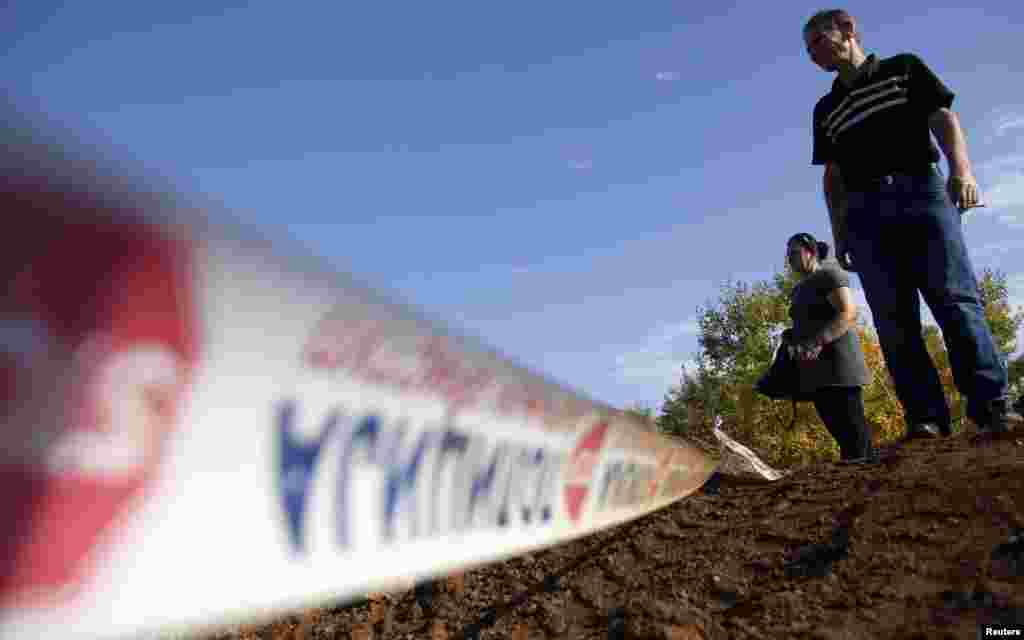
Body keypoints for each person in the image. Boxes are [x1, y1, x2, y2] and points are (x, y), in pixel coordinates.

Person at [803, 9, 1014, 439]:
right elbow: (833, 177)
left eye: (818, 42)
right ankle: (926, 419)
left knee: (955, 300)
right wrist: (840, 230)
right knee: (893, 320)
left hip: (922, 192)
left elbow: (942, 118)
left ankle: (992, 407)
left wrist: (963, 171)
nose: (814, 55)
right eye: (808, 51)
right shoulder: (826, 108)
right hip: (865, 213)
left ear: (847, 29)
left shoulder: (903, 69)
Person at [785, 233, 874, 462]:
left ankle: (870, 482)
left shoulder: (829, 275)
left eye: (795, 253)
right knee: (841, 436)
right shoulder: (798, 290)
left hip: (840, 366)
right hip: (815, 371)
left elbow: (848, 312)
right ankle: (856, 486)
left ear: (811, 252)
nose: (790, 259)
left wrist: (817, 341)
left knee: (854, 435)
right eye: (788, 254)